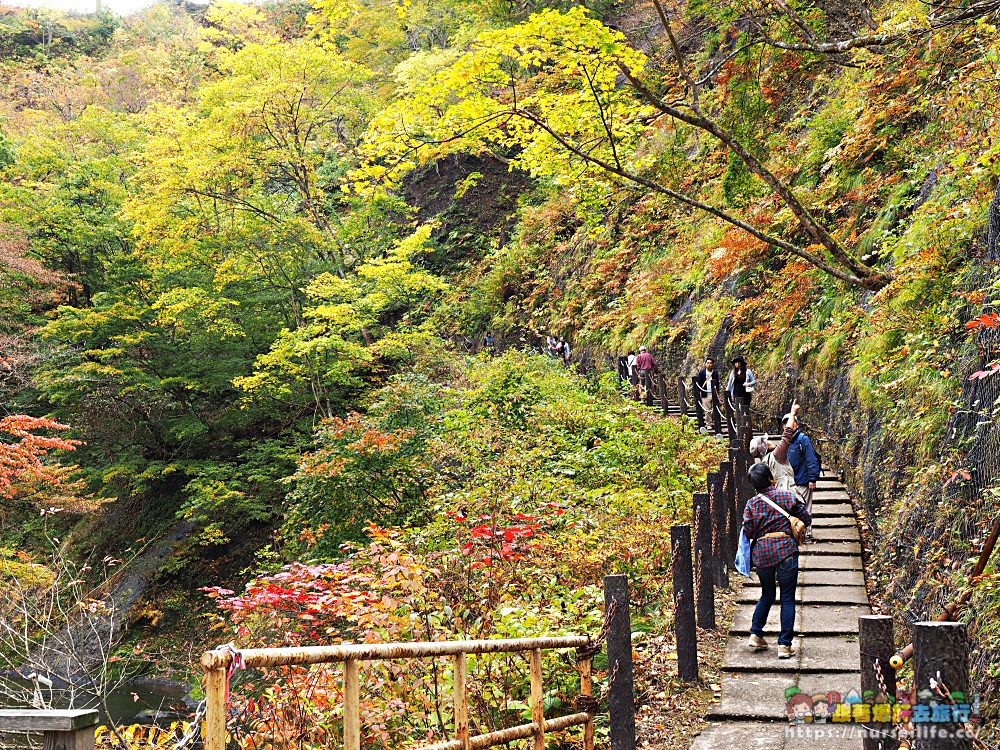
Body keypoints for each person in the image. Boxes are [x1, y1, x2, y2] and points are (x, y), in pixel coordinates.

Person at [743, 463, 811, 659]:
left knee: (767, 593)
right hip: (786, 551)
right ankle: (784, 645)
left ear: (754, 485)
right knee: (787, 597)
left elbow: (748, 531)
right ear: (771, 478)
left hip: (763, 554)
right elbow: (806, 517)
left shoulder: (752, 505)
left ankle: (756, 633)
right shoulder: (787, 496)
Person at [786, 407, 821, 542]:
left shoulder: (802, 439)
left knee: (805, 508)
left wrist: (812, 479)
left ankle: (807, 533)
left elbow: (811, 459)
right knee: (796, 508)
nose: (787, 424)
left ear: (797, 424)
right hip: (792, 482)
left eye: (790, 421)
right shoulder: (788, 441)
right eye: (785, 422)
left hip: (803, 481)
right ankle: (798, 532)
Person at [749, 402, 800, 492]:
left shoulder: (763, 464)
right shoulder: (777, 455)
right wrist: (792, 414)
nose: (769, 441)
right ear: (765, 446)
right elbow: (787, 434)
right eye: (766, 441)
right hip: (788, 493)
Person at [694, 357, 721, 434]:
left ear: (713, 364)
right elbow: (699, 383)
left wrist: (717, 393)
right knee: (707, 409)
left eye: (710, 363)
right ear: (705, 364)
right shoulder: (702, 373)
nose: (709, 364)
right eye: (707, 363)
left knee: (715, 409)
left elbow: (717, 383)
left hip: (714, 393)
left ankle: (716, 423)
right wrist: (699, 392)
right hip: (705, 393)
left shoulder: (715, 373)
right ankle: (709, 423)